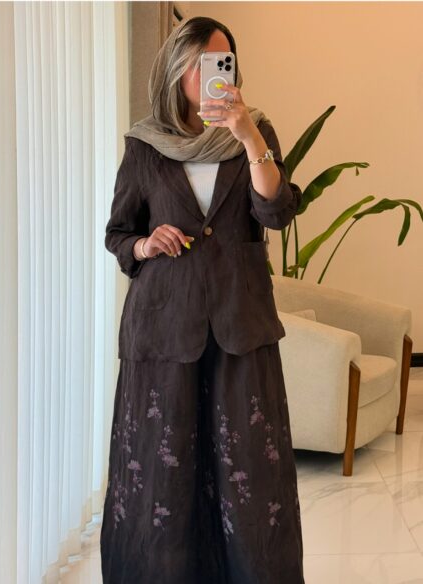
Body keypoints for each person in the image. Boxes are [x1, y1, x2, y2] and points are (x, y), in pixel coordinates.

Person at [100, 15, 305, 584]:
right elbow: (118, 233)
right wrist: (146, 243)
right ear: (176, 69)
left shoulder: (255, 131)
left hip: (241, 325)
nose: (212, 75)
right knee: (163, 473)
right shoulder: (145, 144)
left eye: (222, 62)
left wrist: (248, 135)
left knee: (251, 470)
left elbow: (276, 212)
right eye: (199, 64)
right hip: (164, 328)